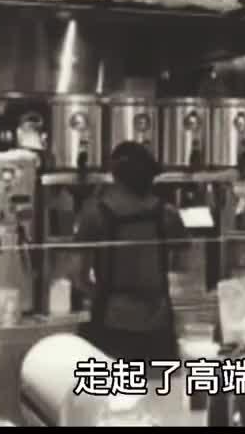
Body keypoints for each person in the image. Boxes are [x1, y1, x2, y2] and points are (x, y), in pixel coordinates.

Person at [74, 141, 187, 363]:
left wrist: (103, 295)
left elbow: (78, 277)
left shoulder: (95, 214)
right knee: (160, 385)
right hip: (158, 324)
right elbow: (184, 268)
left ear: (115, 175)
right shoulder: (167, 214)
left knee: (115, 386)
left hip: (112, 324)